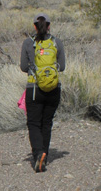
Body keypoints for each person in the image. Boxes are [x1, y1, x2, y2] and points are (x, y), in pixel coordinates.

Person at [20, 14, 66, 173]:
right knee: (47, 123)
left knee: (33, 123)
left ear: (34, 26)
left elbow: (24, 67)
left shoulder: (28, 43)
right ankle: (44, 157)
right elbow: (62, 67)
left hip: (34, 89)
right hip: (54, 89)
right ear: (49, 26)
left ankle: (38, 153)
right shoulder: (56, 42)